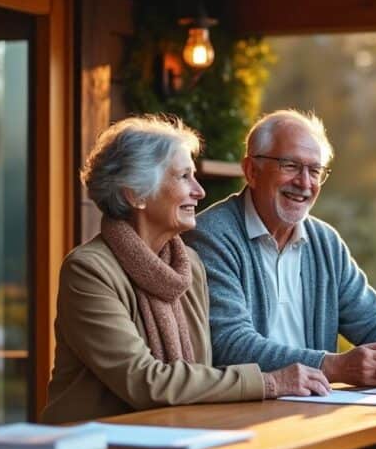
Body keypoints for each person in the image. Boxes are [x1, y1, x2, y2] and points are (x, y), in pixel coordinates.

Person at [41, 115, 329, 424]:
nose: (199, 191)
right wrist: (269, 382)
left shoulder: (189, 264)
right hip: (92, 445)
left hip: (176, 436)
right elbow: (145, 381)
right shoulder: (88, 271)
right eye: (183, 177)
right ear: (135, 194)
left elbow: (201, 374)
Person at [185, 109, 376, 386]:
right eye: (290, 166)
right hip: (244, 405)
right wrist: (333, 366)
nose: (304, 182)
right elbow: (230, 344)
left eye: (315, 171)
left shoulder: (326, 242)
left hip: (313, 407)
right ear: (252, 171)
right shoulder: (211, 236)